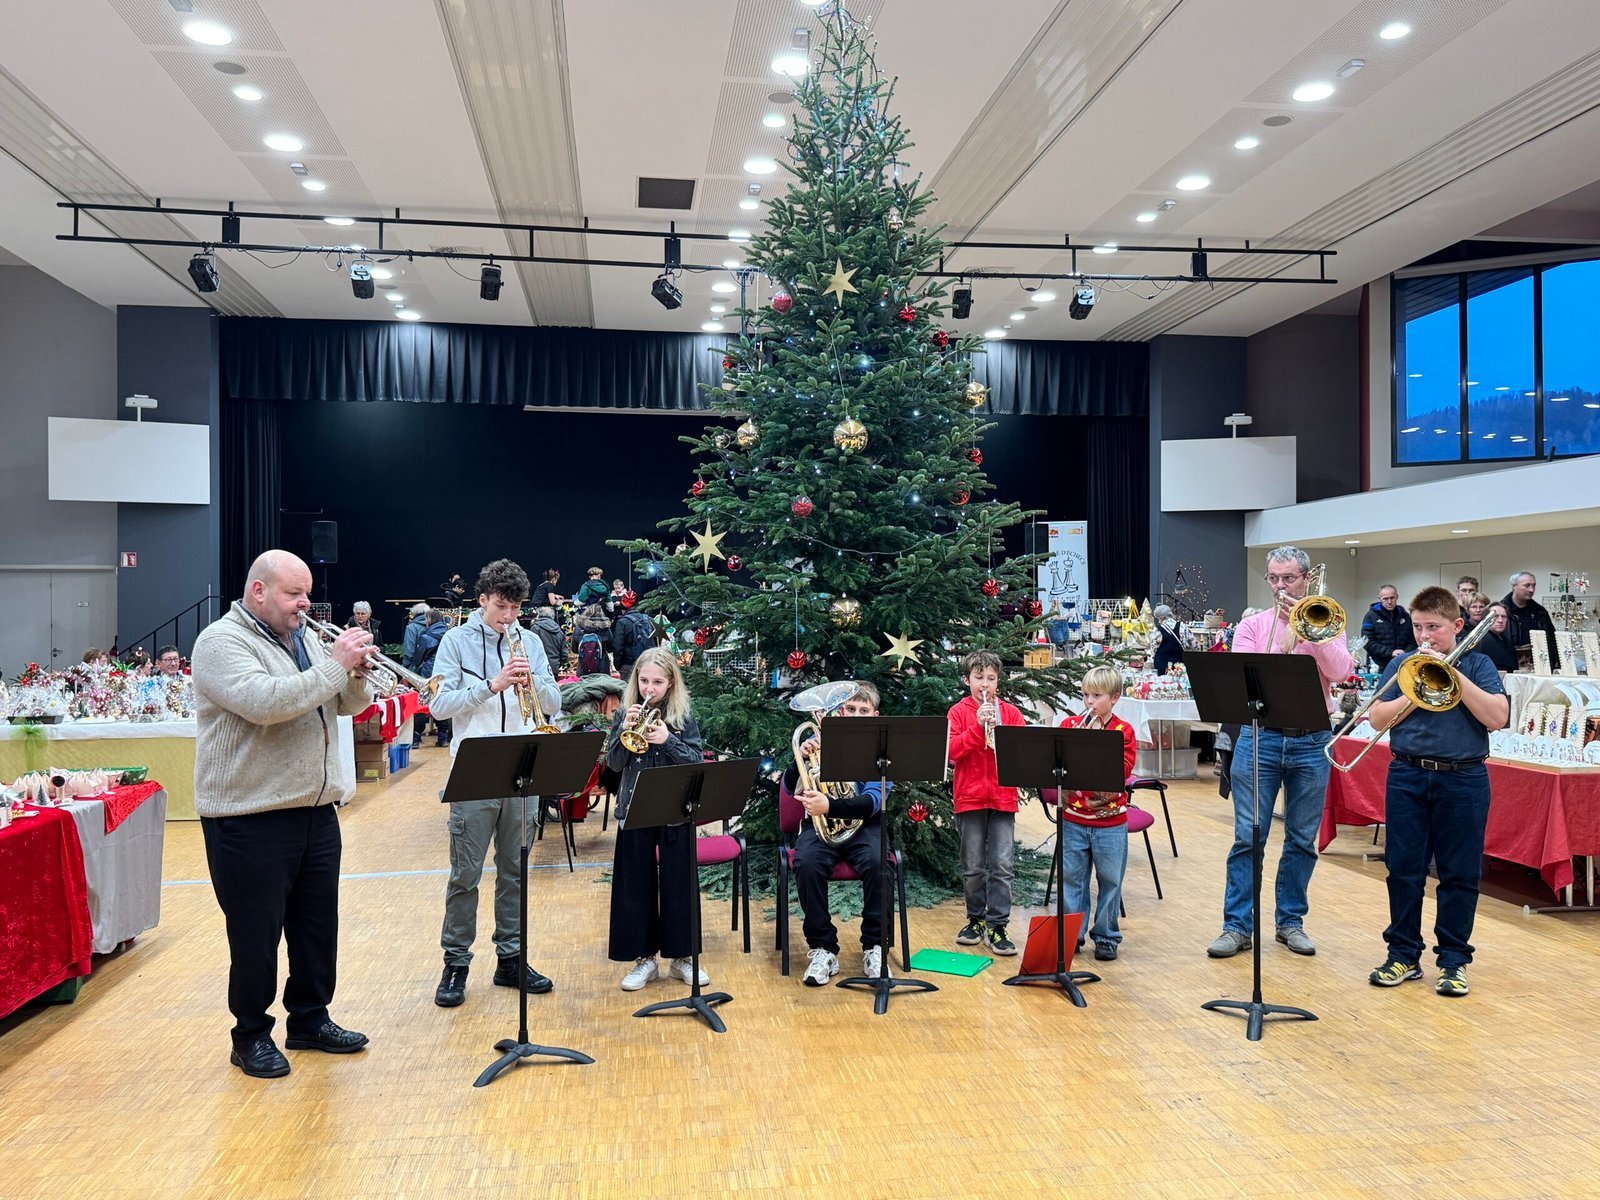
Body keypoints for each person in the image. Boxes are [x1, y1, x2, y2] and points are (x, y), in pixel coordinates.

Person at [190, 549, 374, 1079]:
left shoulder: (305, 638)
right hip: (249, 814)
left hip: (314, 808)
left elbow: (347, 706)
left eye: (307, 592)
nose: (305, 603)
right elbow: (267, 703)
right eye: (295, 593)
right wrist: (334, 665)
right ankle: (249, 1034)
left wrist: (355, 674)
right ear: (259, 592)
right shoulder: (221, 642)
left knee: (317, 927)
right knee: (255, 934)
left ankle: (310, 1018)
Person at [426, 560, 560, 1009]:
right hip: (475, 769)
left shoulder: (532, 641)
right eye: (501, 606)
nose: (509, 617)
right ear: (482, 599)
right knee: (465, 874)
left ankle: (511, 958)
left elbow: (555, 702)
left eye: (516, 608)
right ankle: (456, 963)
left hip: (524, 767)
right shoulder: (455, 641)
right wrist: (493, 684)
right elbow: (439, 706)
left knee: (516, 871)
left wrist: (535, 682)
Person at [1208, 545, 1352, 960]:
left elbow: (1341, 671)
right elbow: (1246, 677)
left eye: (1288, 578)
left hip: (1312, 739)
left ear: (1305, 580)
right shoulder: (1253, 625)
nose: (1279, 586)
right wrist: (1284, 639)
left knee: (1302, 839)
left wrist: (1310, 633)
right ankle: (1236, 926)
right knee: (1248, 837)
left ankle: (1290, 922)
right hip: (1261, 737)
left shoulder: (1327, 619)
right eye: (1273, 578)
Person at [1366, 586, 1508, 997]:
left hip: (1463, 778)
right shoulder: (1405, 665)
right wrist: (1413, 691)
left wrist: (1452, 673)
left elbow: (1497, 717)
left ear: (1457, 626)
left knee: (1459, 874)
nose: (1424, 636)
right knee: (1404, 871)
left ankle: (1453, 961)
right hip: (1408, 775)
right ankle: (1403, 955)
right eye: (1418, 627)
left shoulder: (1479, 663)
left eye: (1434, 628)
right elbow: (1376, 718)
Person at [606, 646, 708, 991]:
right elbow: (614, 765)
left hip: (674, 809)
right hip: (634, 806)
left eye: (657, 682)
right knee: (635, 885)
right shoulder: (625, 713)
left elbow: (696, 761)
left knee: (679, 885)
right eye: (644, 680)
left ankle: (682, 960)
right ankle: (644, 959)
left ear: (670, 684)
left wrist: (667, 740)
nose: (649, 688)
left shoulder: (682, 716)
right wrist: (625, 728)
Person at [784, 682, 890, 985]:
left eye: (863, 710)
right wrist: (800, 760)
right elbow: (790, 786)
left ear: (875, 715)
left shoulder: (881, 752)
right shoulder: (819, 742)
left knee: (878, 864)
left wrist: (829, 804)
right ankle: (823, 948)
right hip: (820, 827)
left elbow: (872, 801)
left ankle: (875, 946)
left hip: (864, 827)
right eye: (850, 709)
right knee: (806, 863)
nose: (855, 715)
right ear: (840, 711)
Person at [1044, 665, 1138, 961]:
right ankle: (1072, 932)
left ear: (1114, 698)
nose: (1089, 703)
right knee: (1072, 879)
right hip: (1074, 818)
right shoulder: (1071, 724)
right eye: (1085, 695)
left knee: (1110, 880)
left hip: (1110, 821)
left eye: (1096, 696)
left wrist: (1096, 743)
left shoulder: (1124, 731)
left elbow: (1122, 770)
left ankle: (1106, 935)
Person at [946, 649, 1027, 955]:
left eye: (991, 678)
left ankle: (998, 924)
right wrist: (975, 727)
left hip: (1003, 797)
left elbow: (1021, 753)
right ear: (967, 680)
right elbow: (952, 752)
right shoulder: (958, 712)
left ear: (998, 682)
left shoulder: (1011, 712)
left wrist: (1003, 732)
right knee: (973, 865)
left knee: (1003, 864)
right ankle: (976, 918)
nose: (985, 684)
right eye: (979, 677)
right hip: (969, 797)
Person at [408, 608, 451, 749]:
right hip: (445, 674)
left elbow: (418, 658)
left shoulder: (426, 637)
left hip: (427, 674)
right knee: (443, 702)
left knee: (423, 704)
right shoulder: (450, 635)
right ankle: (443, 737)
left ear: (429, 620)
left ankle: (415, 737)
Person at [1501, 572, 1559, 670]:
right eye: (1527, 586)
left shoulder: (1540, 612)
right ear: (1514, 586)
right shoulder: (1502, 611)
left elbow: (1551, 640)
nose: (1531, 590)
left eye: (1533, 585)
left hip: (1538, 664)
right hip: (1509, 664)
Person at [1360, 584, 1416, 666]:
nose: (1389, 602)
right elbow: (1367, 642)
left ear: (1397, 597)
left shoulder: (1405, 616)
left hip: (1402, 663)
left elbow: (1413, 640)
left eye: (1392, 598)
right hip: (1377, 666)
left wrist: (1405, 653)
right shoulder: (1370, 616)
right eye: (1385, 599)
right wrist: (1391, 652)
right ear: (1380, 599)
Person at [610, 599, 655, 678]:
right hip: (648, 661)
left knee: (628, 689)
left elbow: (617, 647)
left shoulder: (622, 622)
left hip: (628, 664)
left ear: (622, 607)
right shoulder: (649, 619)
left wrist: (617, 665)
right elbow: (656, 641)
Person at [1477, 604, 1520, 673]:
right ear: (1486, 619)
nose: (1500, 620)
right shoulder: (1481, 641)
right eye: (1495, 616)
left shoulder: (1506, 641)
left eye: (1504, 617)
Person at [529, 605, 568, 677]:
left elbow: (531, 649)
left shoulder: (536, 628)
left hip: (538, 667)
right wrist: (559, 664)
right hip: (554, 667)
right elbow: (564, 654)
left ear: (539, 615)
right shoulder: (559, 631)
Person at [1150, 604, 1184, 675]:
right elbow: (1194, 645)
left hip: (1162, 666)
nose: (1159, 621)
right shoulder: (1183, 627)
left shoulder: (1157, 631)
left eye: (1158, 619)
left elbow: (1153, 650)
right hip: (1179, 666)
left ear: (1161, 618)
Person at [401, 602, 429, 669]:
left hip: (415, 667)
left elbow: (409, 651)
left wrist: (404, 667)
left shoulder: (411, 627)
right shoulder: (433, 625)